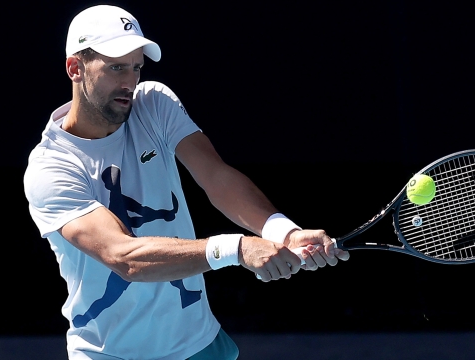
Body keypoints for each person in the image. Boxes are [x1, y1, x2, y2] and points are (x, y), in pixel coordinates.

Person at [23, 4, 350, 360]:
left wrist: (283, 232)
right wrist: (237, 249)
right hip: (110, 354)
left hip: (199, 344)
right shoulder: (50, 168)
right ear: (76, 68)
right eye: (116, 67)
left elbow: (216, 175)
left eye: (135, 68)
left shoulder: (153, 103)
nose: (129, 82)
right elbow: (124, 256)